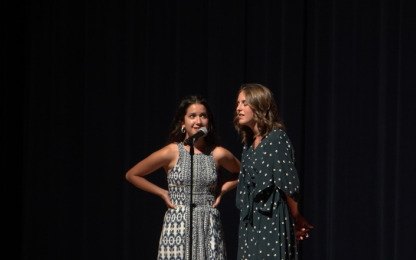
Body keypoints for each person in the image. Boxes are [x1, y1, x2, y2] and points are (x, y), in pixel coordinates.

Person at [126, 95, 241, 260]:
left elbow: (244, 173)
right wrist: (161, 193)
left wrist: (222, 190)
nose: (198, 121)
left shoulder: (218, 153)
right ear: (182, 123)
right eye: (192, 116)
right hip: (178, 226)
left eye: (203, 116)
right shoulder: (171, 152)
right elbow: (132, 174)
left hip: (209, 225)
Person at [234, 84, 313, 260]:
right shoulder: (248, 145)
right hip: (250, 223)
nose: (238, 108)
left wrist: (295, 216)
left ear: (259, 105)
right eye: (238, 103)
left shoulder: (277, 138)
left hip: (272, 220)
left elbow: (289, 185)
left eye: (245, 103)